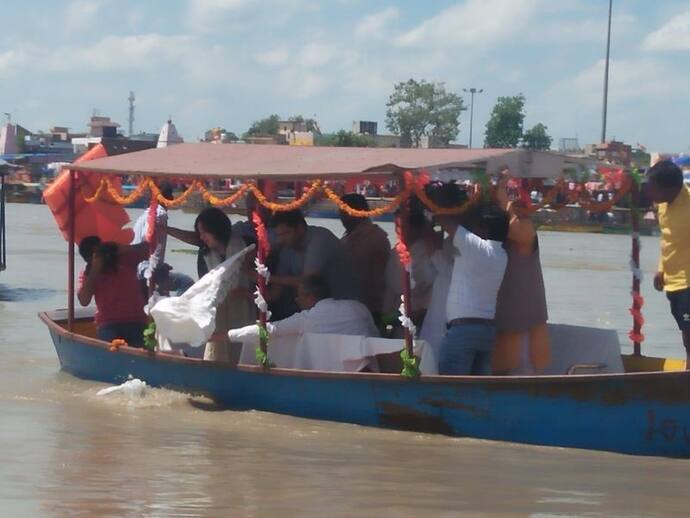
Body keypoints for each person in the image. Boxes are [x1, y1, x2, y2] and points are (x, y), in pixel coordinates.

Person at [429, 183, 508, 375]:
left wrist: (434, 198)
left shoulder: (475, 246)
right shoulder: (502, 255)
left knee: (451, 387)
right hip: (487, 331)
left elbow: (443, 219)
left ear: (483, 228)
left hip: (464, 331)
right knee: (478, 390)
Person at [168, 207, 255, 361]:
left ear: (217, 230)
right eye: (199, 233)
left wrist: (245, 293)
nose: (201, 237)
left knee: (243, 354)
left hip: (245, 310)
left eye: (204, 233)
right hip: (218, 315)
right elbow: (205, 288)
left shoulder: (247, 248)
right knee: (217, 355)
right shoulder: (205, 255)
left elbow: (261, 287)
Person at [492, 173, 550, 374]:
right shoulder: (508, 235)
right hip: (509, 317)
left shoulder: (525, 232)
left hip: (525, 319)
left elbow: (510, 226)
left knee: (525, 371)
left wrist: (501, 192)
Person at [228, 275, 379, 342]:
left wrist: (229, 335)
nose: (297, 300)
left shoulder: (307, 319)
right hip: (370, 370)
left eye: (299, 296)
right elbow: (376, 338)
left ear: (311, 297)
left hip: (332, 374)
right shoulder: (359, 307)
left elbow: (268, 330)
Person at [648, 160, 690, 368]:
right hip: (672, 281)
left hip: (688, 280)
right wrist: (661, 269)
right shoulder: (662, 207)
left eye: (654, 188)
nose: (651, 192)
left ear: (671, 188)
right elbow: (667, 240)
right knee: (685, 330)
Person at [269, 209, 360, 301]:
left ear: (300, 228)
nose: (280, 240)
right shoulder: (287, 248)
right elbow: (275, 292)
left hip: (344, 305)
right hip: (316, 307)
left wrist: (266, 277)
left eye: (285, 234)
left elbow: (307, 282)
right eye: (278, 235)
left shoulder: (319, 239)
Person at [77, 236, 149, 346]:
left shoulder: (124, 260)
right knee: (113, 348)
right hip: (108, 323)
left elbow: (147, 249)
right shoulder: (89, 273)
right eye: (96, 255)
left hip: (136, 320)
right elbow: (84, 300)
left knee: (142, 350)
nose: (102, 257)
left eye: (102, 252)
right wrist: (95, 270)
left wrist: (118, 247)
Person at [131, 181, 194, 296]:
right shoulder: (160, 213)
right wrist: (155, 269)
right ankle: (174, 310)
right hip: (147, 269)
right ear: (168, 198)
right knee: (186, 283)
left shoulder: (146, 213)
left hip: (140, 267)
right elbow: (154, 244)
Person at [339, 193, 390, 324]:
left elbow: (377, 278)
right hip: (350, 303)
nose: (340, 217)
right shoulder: (348, 238)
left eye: (343, 212)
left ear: (356, 212)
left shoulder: (375, 238)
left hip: (370, 306)